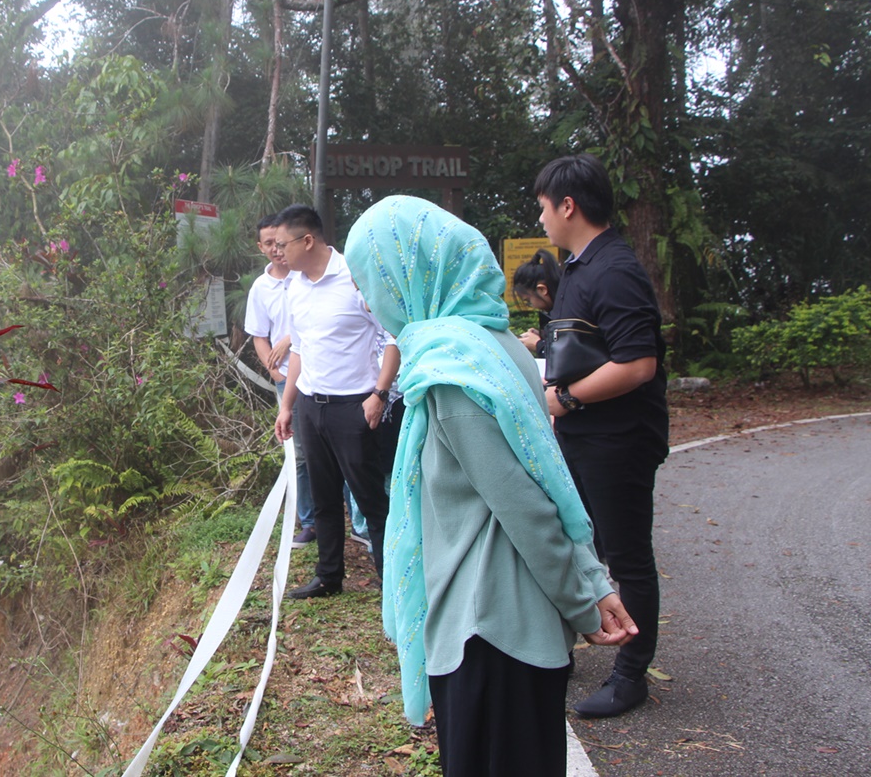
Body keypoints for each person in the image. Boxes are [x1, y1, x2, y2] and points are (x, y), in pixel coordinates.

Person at [345, 194, 638, 777]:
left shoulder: (450, 376)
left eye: (369, 279)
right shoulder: (496, 347)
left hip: (489, 631)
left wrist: (585, 600)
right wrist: (591, 579)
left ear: (409, 276)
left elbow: (526, 506)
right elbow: (547, 476)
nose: (365, 297)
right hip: (508, 625)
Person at [536, 153, 669, 719]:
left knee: (626, 556)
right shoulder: (576, 268)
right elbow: (578, 347)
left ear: (568, 206)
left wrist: (565, 398)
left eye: (543, 206)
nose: (540, 218)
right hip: (583, 437)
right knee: (577, 542)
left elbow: (638, 364)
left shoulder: (613, 268)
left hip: (618, 440)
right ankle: (570, 649)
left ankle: (631, 675)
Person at [273, 204, 398, 599]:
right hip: (312, 406)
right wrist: (288, 405)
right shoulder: (296, 286)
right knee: (324, 499)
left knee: (370, 498)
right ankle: (329, 577)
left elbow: (395, 336)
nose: (277, 253)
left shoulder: (354, 277)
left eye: (282, 245)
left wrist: (379, 393)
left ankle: (392, 577)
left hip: (355, 407)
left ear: (307, 240)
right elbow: (300, 350)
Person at [244, 215, 316, 548]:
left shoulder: (307, 275)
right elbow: (259, 336)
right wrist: (274, 373)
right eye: (269, 244)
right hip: (285, 380)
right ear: (261, 247)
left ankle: (352, 518)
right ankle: (310, 520)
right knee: (297, 452)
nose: (276, 249)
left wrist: (288, 338)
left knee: (332, 447)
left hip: (318, 372)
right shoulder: (261, 288)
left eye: (280, 241)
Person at [512, 248, 561, 356]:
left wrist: (538, 345)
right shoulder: (562, 307)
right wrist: (544, 337)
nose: (532, 306)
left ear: (542, 290)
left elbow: (567, 355)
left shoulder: (569, 313)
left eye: (528, 301)